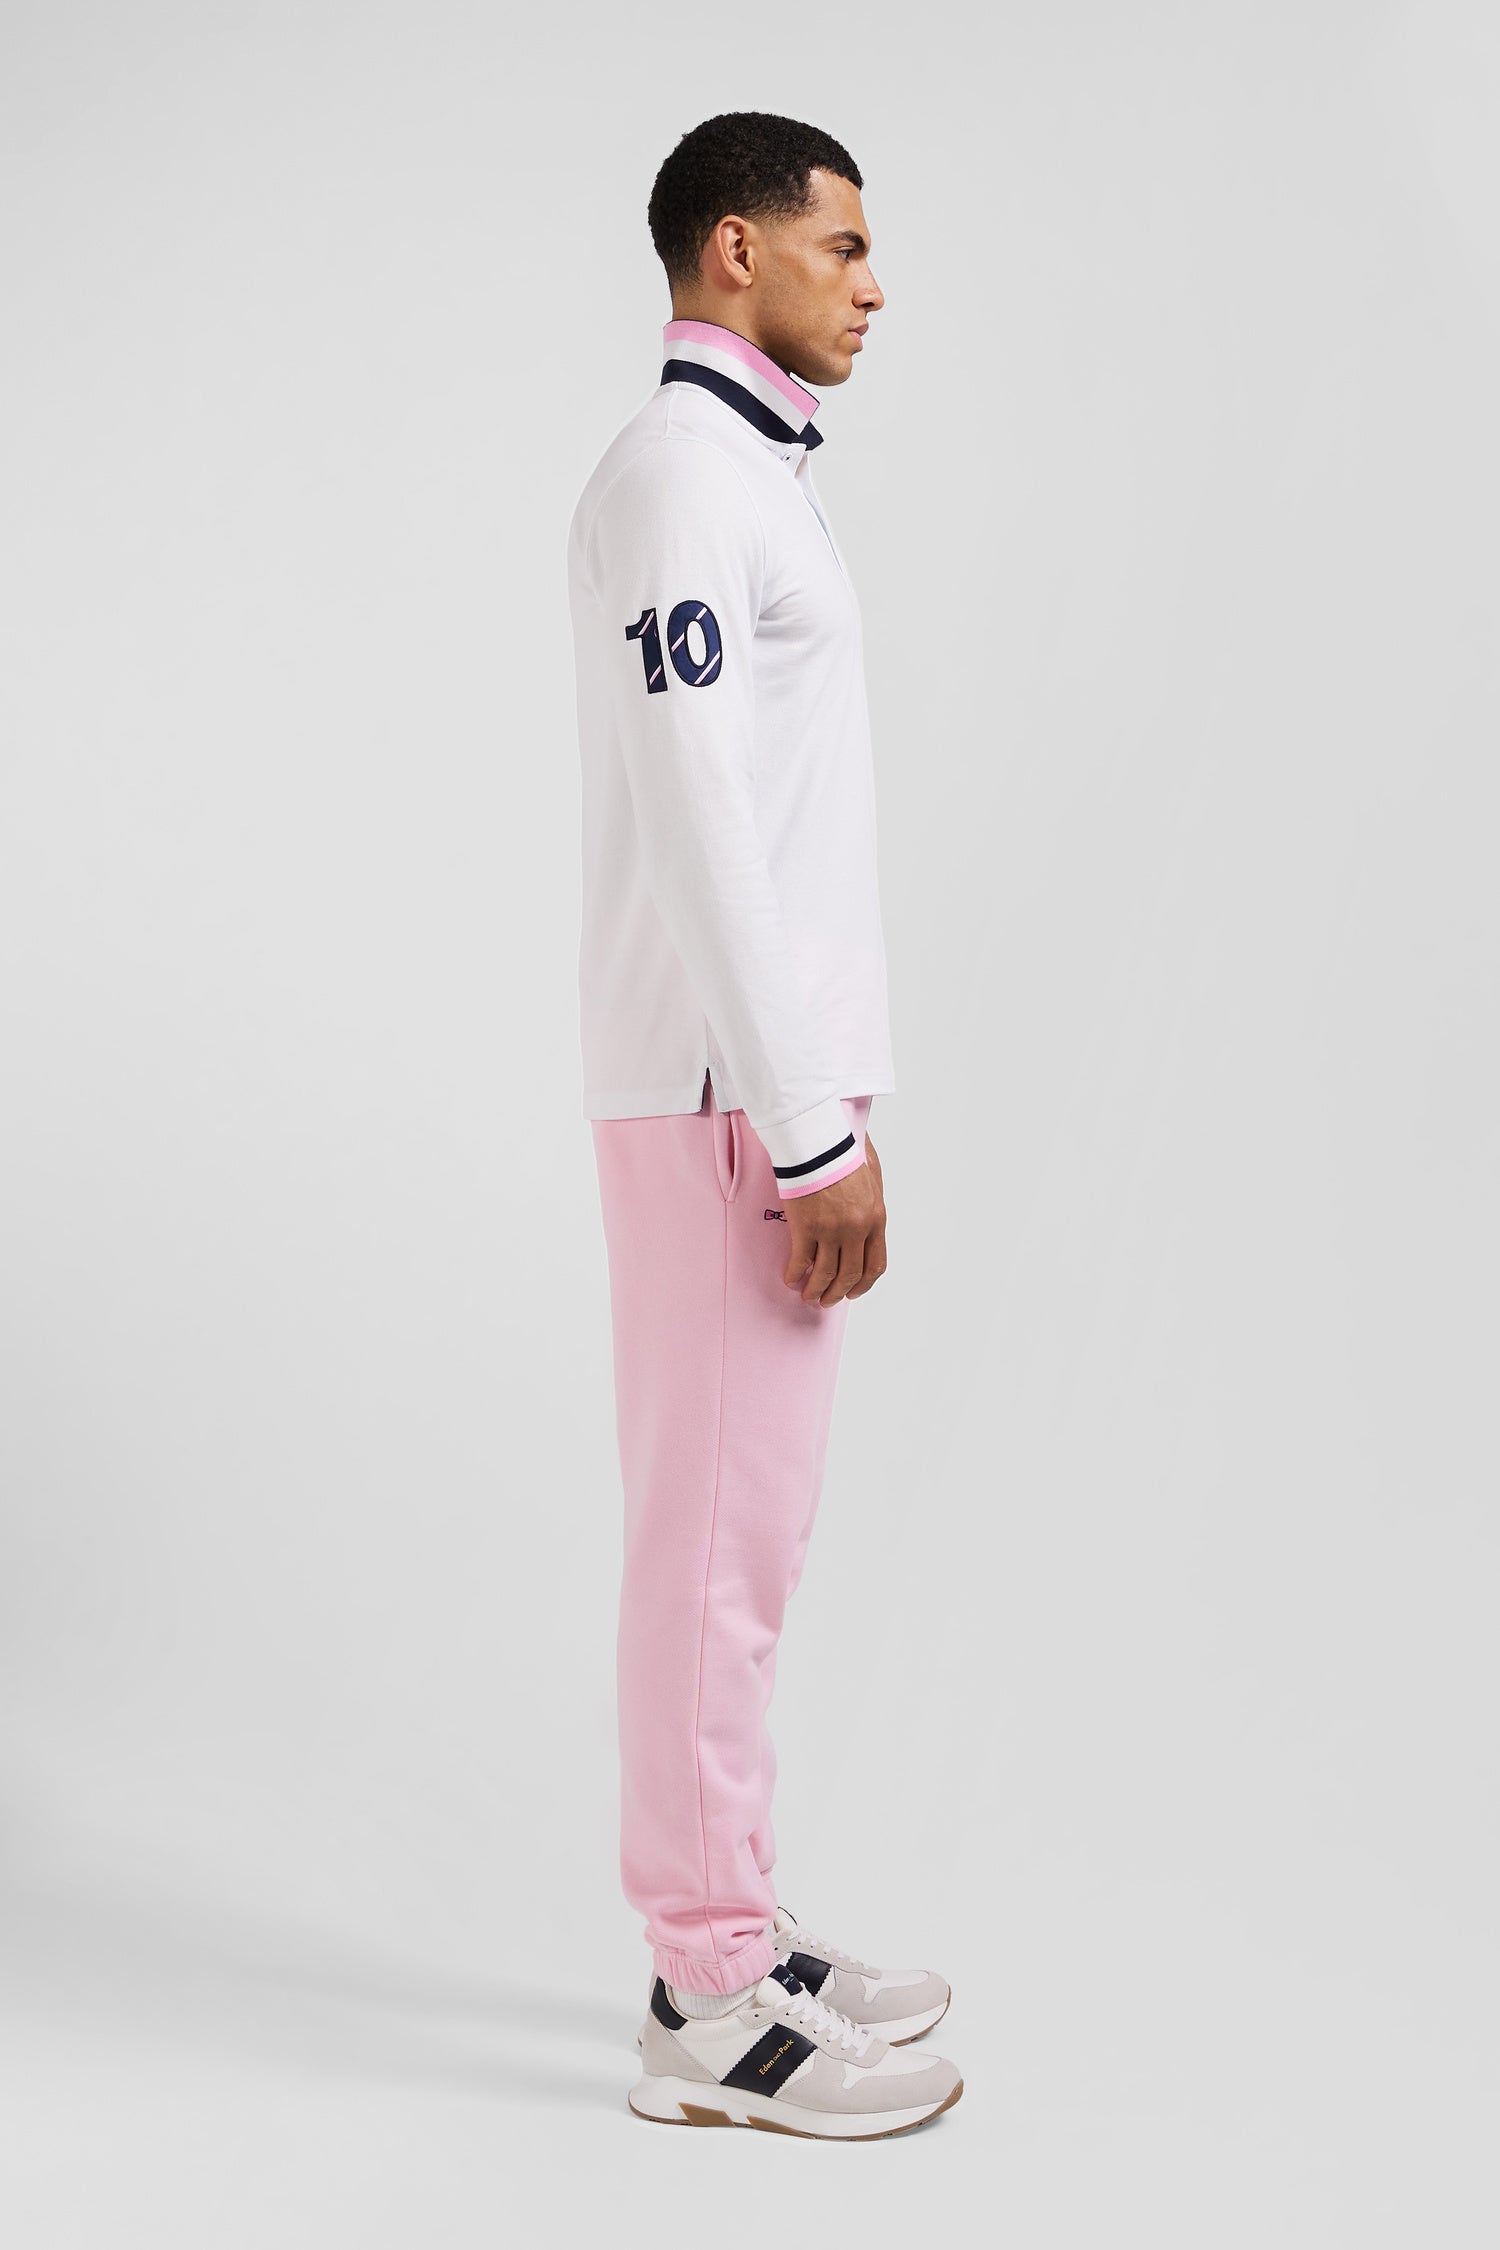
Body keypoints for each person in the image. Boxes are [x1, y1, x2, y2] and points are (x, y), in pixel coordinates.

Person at [566, 111, 963, 2139]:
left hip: (762, 1087)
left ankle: (727, 1921)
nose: (875, 284)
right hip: (736, 1098)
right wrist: (809, 1132)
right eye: (844, 245)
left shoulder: (743, 474)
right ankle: (709, 1995)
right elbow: (699, 817)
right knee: (713, 1545)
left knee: (750, 1536)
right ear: (737, 251)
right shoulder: (678, 479)